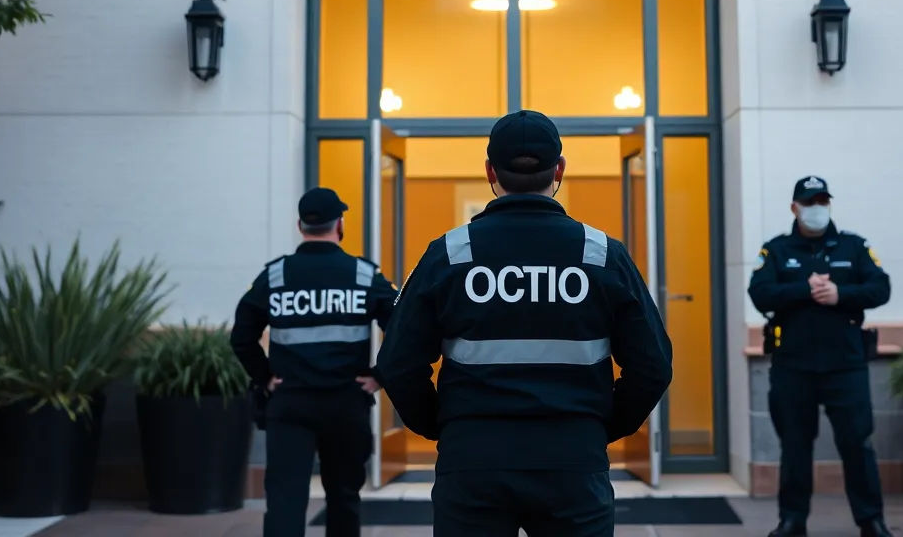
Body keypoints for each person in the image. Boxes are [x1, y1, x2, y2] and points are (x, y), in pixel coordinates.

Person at [374, 109, 673, 537]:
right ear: (560, 170)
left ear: (490, 171)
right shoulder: (602, 254)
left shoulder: (451, 253)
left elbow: (398, 363)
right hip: (573, 458)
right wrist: (599, 427)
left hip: (473, 459)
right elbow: (654, 366)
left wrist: (445, 427)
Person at [230, 187, 398, 537]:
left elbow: (242, 336)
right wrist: (379, 376)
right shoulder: (364, 276)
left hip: (290, 404)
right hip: (346, 403)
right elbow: (405, 329)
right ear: (340, 224)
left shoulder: (275, 277)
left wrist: (264, 377)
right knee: (344, 498)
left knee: (285, 500)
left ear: (300, 225)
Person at [748, 176, 893, 537]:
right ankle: (792, 520)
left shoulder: (853, 246)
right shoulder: (777, 250)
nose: (817, 209)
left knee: (857, 444)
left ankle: (870, 520)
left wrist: (840, 294)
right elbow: (760, 293)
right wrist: (804, 290)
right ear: (795, 207)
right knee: (795, 446)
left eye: (822, 202)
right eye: (810, 202)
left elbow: (880, 287)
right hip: (793, 366)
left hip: (845, 365)